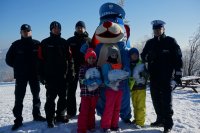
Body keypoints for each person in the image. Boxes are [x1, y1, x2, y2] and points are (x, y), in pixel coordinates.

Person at [141, 20, 183, 133]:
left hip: (167, 78)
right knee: (156, 100)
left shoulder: (170, 41)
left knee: (166, 102)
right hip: (153, 77)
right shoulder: (150, 43)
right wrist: (147, 58)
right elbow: (143, 55)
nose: (157, 31)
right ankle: (160, 119)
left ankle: (168, 124)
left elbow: (178, 59)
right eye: (155, 29)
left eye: (159, 29)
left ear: (163, 29)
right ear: (153, 30)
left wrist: (177, 77)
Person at [5, 24, 46, 130]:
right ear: (21, 32)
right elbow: (8, 59)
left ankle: (36, 115)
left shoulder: (37, 44)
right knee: (19, 98)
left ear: (31, 32)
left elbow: (42, 58)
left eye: (28, 31)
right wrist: (18, 67)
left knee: (36, 96)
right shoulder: (16, 45)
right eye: (24, 31)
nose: (26, 32)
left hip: (34, 75)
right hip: (21, 76)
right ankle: (18, 119)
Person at [38, 21, 72, 128]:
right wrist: (41, 76)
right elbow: (39, 61)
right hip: (50, 77)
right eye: (54, 28)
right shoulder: (44, 43)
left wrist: (71, 74)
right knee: (50, 99)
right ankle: (50, 119)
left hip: (63, 76)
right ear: (51, 29)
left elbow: (70, 60)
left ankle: (60, 116)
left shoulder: (65, 43)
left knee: (63, 98)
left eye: (58, 28)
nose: (56, 30)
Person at [66, 21, 91, 118]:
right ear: (75, 29)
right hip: (72, 69)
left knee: (84, 91)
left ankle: (83, 110)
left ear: (85, 28)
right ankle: (71, 112)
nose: (80, 29)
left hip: (85, 69)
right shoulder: (70, 40)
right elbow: (66, 56)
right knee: (71, 91)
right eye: (78, 27)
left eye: (81, 27)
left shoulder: (89, 40)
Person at [100, 46, 129, 132]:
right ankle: (106, 126)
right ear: (109, 54)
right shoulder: (106, 65)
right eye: (112, 53)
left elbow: (123, 76)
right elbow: (105, 78)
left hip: (119, 89)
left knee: (117, 108)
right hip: (110, 90)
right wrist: (110, 84)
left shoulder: (119, 65)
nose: (114, 55)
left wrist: (124, 77)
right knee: (109, 108)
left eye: (115, 53)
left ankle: (114, 125)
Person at [77, 48, 102, 133]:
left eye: (93, 58)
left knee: (92, 110)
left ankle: (91, 125)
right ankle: (82, 128)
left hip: (95, 93)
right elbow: (80, 79)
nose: (91, 60)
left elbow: (100, 78)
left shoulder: (98, 68)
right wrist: (86, 81)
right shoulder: (83, 68)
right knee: (84, 111)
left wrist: (99, 81)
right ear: (86, 58)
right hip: (85, 93)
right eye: (89, 58)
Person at [128, 48, 148, 128]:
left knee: (140, 105)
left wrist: (144, 74)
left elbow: (148, 74)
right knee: (135, 105)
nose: (135, 56)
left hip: (141, 87)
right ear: (130, 56)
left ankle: (140, 122)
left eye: (136, 54)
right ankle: (136, 119)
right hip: (133, 88)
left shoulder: (142, 64)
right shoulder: (129, 64)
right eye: (133, 54)